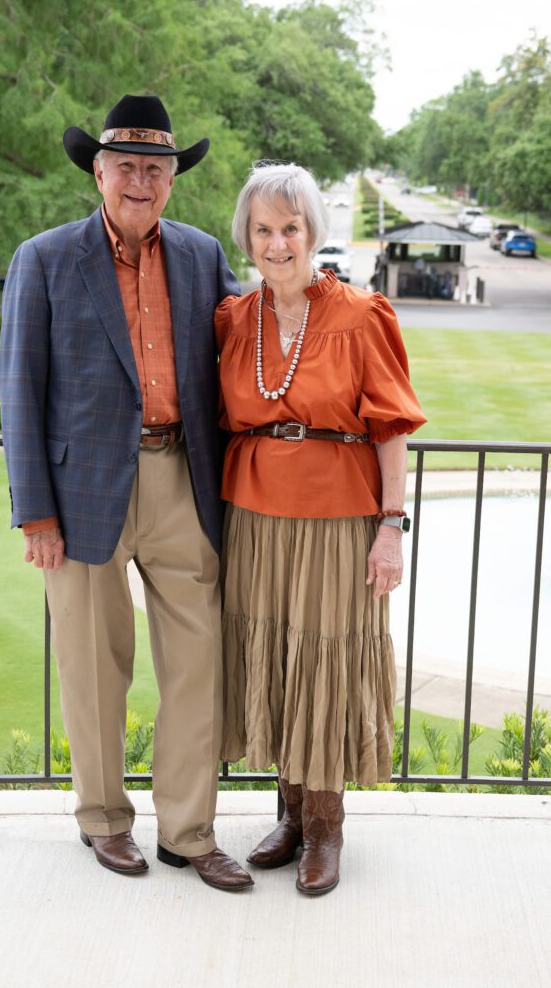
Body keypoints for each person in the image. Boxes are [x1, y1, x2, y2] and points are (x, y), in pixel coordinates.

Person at [0, 95, 253, 892]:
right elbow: (20, 389)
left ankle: (187, 832)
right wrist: (35, 510)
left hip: (182, 478)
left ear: (172, 181)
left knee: (195, 666)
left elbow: (254, 337)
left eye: (156, 169)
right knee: (92, 665)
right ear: (98, 174)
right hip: (77, 499)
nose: (141, 181)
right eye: (127, 167)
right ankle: (104, 822)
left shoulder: (203, 255)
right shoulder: (42, 259)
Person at [216, 162, 426, 895]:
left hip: (337, 517)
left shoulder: (361, 315)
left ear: (313, 233)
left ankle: (326, 825)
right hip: (254, 520)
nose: (277, 243)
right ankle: (291, 813)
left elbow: (392, 426)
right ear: (246, 235)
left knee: (327, 660)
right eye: (263, 229)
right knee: (276, 655)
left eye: (290, 228)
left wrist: (390, 526)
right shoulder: (235, 320)